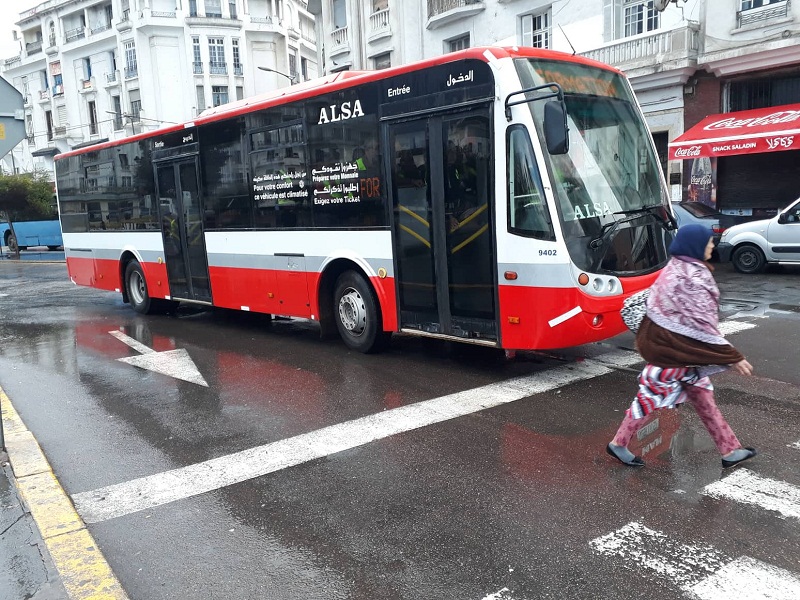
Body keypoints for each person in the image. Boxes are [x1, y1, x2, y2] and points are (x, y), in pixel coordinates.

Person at [607, 224, 757, 469]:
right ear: (695, 246)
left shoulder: (675, 267)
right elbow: (703, 326)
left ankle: (730, 450)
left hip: (672, 348)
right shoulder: (694, 278)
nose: (712, 246)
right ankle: (618, 443)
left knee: (703, 397)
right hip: (671, 352)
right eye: (709, 242)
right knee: (648, 398)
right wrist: (732, 356)